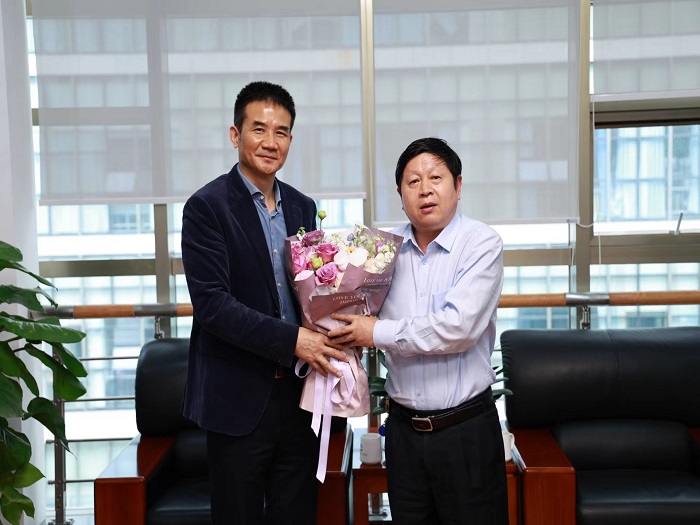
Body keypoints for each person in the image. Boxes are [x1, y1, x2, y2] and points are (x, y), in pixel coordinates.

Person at [180, 80, 348, 525]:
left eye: (281, 132)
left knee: (298, 514)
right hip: (238, 398)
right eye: (259, 129)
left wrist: (343, 318)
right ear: (235, 135)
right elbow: (213, 306)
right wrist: (295, 340)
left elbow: (311, 291)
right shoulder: (206, 207)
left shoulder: (303, 207)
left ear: (291, 139)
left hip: (300, 395)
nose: (270, 142)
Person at [329, 137, 508, 524]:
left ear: (457, 185)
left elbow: (458, 328)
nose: (425, 189)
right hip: (404, 435)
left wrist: (375, 333)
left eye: (435, 178)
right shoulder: (380, 252)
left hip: (466, 433)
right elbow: (349, 312)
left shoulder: (481, 243)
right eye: (413, 181)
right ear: (401, 195)